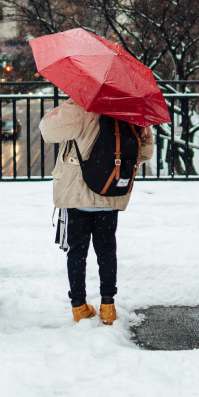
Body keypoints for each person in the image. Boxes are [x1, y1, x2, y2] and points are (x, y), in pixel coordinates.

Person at [39, 99, 155, 325]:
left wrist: (69, 104)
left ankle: (79, 306)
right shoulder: (130, 109)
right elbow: (145, 153)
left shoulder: (82, 108)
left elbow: (47, 130)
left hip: (78, 196)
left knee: (77, 252)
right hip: (111, 195)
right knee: (107, 250)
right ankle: (108, 306)